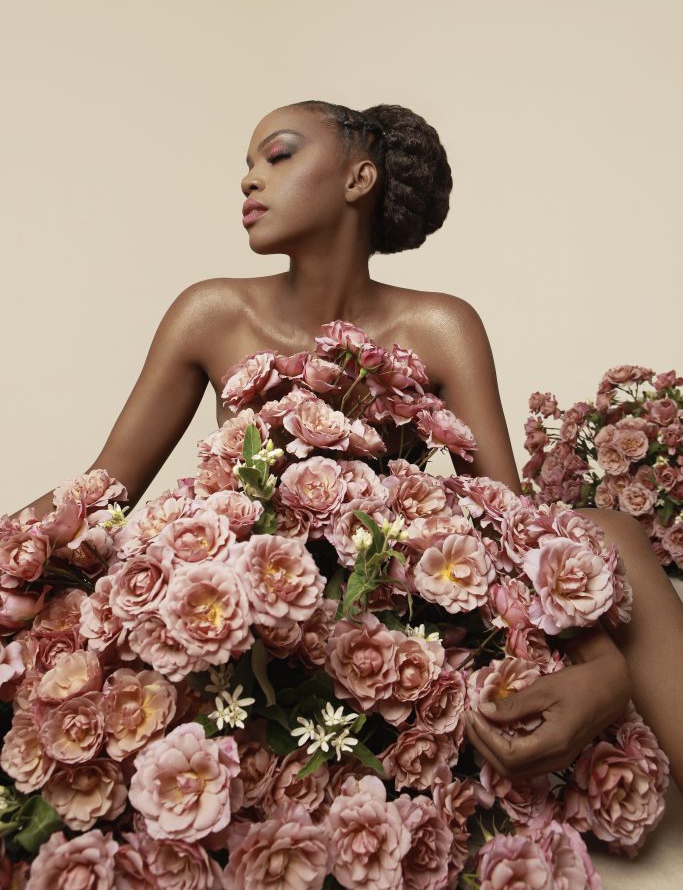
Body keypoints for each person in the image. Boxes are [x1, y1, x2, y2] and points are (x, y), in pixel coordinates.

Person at [11, 98, 683, 791]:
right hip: (252, 632)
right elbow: (99, 493)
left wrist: (605, 671)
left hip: (397, 633)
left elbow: (507, 519)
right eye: (246, 165)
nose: (248, 179)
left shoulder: (439, 326)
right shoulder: (210, 314)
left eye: (277, 155)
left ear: (358, 179)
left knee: (611, 532)